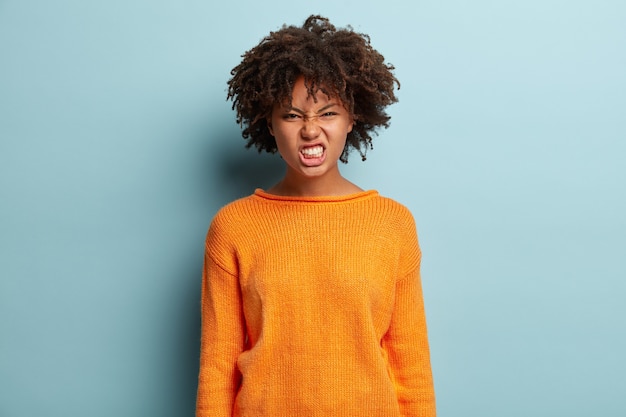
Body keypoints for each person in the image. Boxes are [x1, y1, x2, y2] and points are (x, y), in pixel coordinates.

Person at [196, 15, 436, 417]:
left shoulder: (392, 224)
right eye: (291, 115)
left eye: (327, 113)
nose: (310, 130)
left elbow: (410, 367)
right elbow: (218, 368)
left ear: (352, 119)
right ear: (269, 123)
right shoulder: (233, 228)